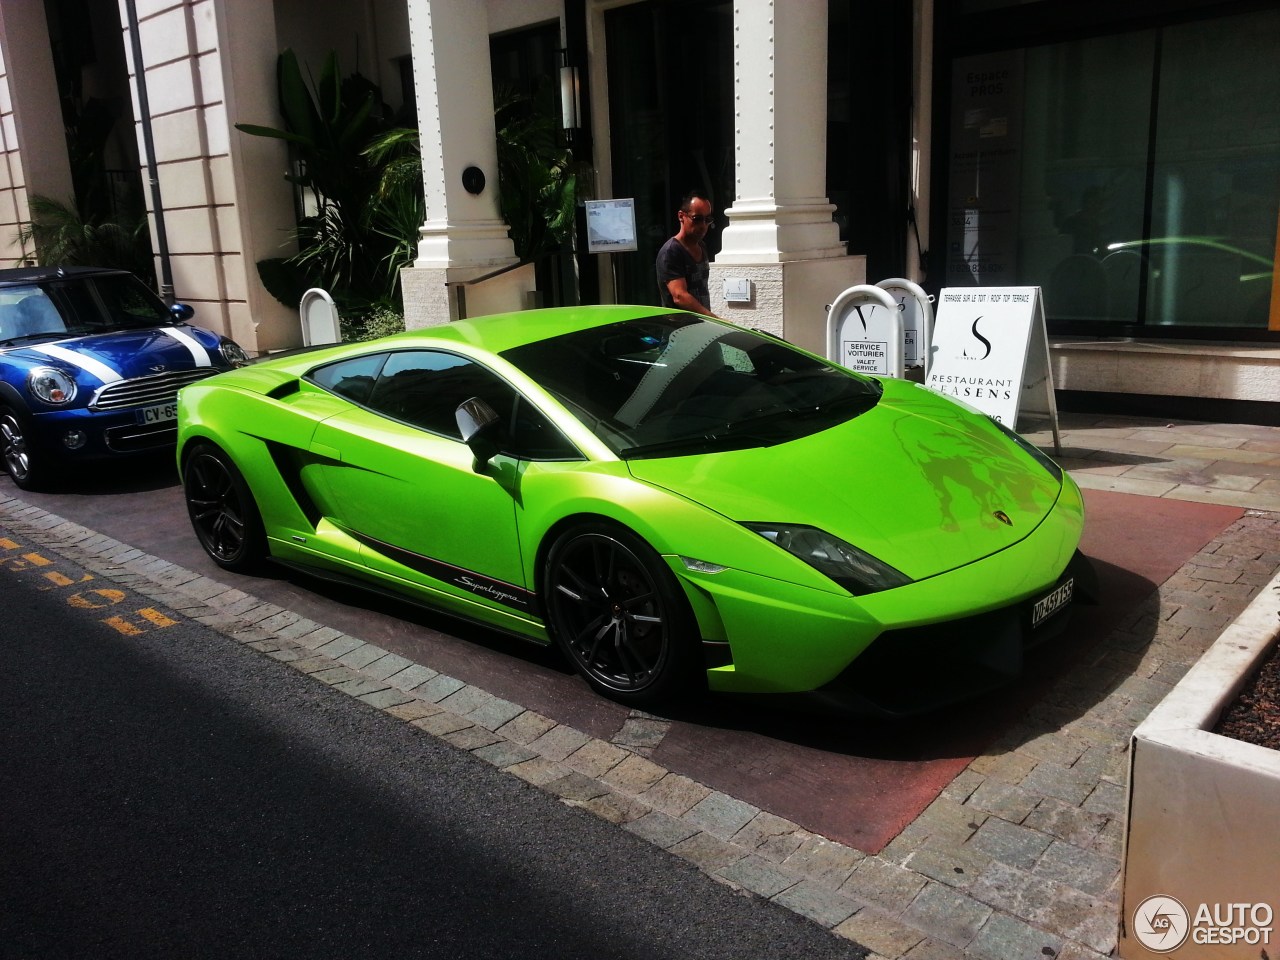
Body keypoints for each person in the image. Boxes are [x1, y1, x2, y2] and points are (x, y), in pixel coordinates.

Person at [655, 190, 717, 316]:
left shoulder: (701, 245)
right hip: (679, 330)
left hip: (701, 326)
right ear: (681, 216)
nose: (703, 225)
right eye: (697, 219)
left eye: (707, 219)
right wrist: (716, 319)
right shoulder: (671, 251)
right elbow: (679, 296)